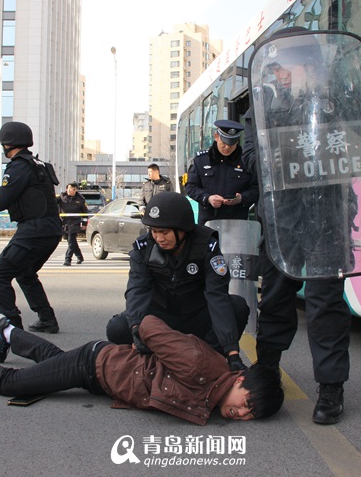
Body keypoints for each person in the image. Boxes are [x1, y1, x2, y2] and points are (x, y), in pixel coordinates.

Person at [243, 28, 360, 425]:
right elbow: (249, 154)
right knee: (274, 298)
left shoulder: (337, 96)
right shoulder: (263, 102)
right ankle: (268, 366)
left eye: (285, 66)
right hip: (283, 218)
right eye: (274, 68)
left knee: (326, 303)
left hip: (328, 215)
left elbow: (358, 141)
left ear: (308, 62)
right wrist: (275, 161)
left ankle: (331, 387)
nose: (280, 75)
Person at [0, 314, 284, 425]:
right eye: (247, 402)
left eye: (251, 414)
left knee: (51, 358)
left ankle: (8, 331)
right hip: (96, 365)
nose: (242, 413)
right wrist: (140, 348)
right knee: (15, 384)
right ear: (240, 378)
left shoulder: (214, 389)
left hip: (103, 379)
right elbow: (151, 325)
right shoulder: (202, 365)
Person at [105, 191, 250, 371]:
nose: (158, 238)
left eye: (164, 232)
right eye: (154, 231)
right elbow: (137, 289)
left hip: (196, 317)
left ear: (182, 229)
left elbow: (217, 296)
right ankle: (152, 359)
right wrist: (136, 328)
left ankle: (210, 359)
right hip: (162, 319)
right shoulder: (144, 249)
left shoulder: (206, 247)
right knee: (117, 327)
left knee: (237, 306)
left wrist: (232, 352)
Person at [0, 121, 63, 337]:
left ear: (9, 143)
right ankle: (47, 319)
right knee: (25, 273)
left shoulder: (19, 166)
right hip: (50, 230)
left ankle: (12, 331)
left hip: (34, 231)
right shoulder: (38, 164)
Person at [185, 119, 259, 224]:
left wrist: (242, 198)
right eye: (224, 142)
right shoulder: (202, 160)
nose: (227, 147)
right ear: (216, 137)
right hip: (208, 225)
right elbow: (190, 187)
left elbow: (256, 189)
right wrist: (208, 198)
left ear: (237, 141)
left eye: (232, 144)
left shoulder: (246, 161)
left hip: (238, 224)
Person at [58, 181, 88, 266]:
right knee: (71, 241)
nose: (71, 190)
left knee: (71, 241)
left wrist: (84, 223)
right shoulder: (62, 197)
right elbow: (53, 203)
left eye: (73, 189)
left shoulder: (80, 199)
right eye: (69, 188)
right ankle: (80, 256)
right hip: (64, 222)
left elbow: (85, 212)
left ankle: (68, 259)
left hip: (75, 222)